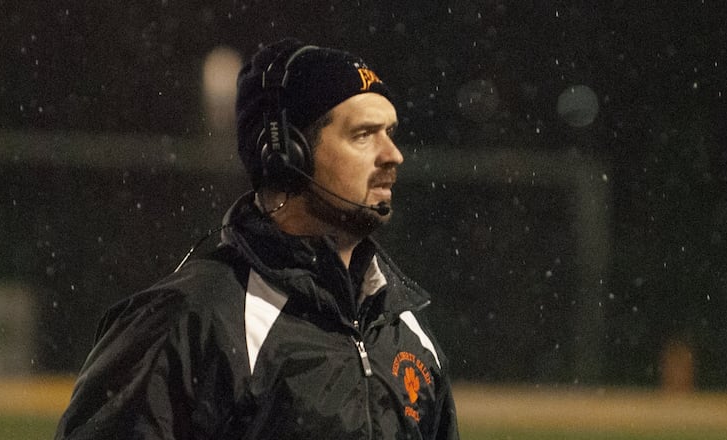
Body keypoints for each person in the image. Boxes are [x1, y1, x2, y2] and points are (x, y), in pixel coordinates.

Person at [54, 38, 460, 439]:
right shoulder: (191, 321)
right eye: (364, 134)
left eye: (390, 132)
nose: (392, 154)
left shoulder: (405, 328)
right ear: (288, 155)